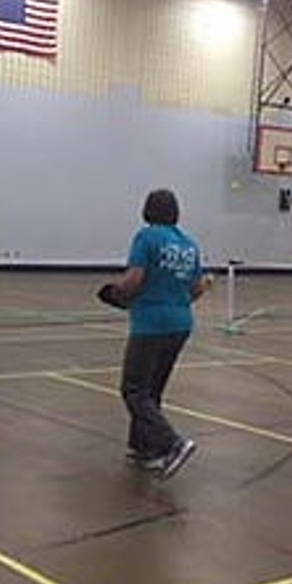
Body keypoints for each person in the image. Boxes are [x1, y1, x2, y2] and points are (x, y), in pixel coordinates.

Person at [108, 189, 211, 480]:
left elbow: (134, 279)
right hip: (180, 323)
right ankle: (144, 448)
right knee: (151, 391)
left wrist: (115, 292)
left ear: (148, 211)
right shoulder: (189, 244)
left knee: (133, 390)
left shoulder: (147, 237)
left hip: (151, 323)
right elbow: (196, 288)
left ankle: (172, 444)